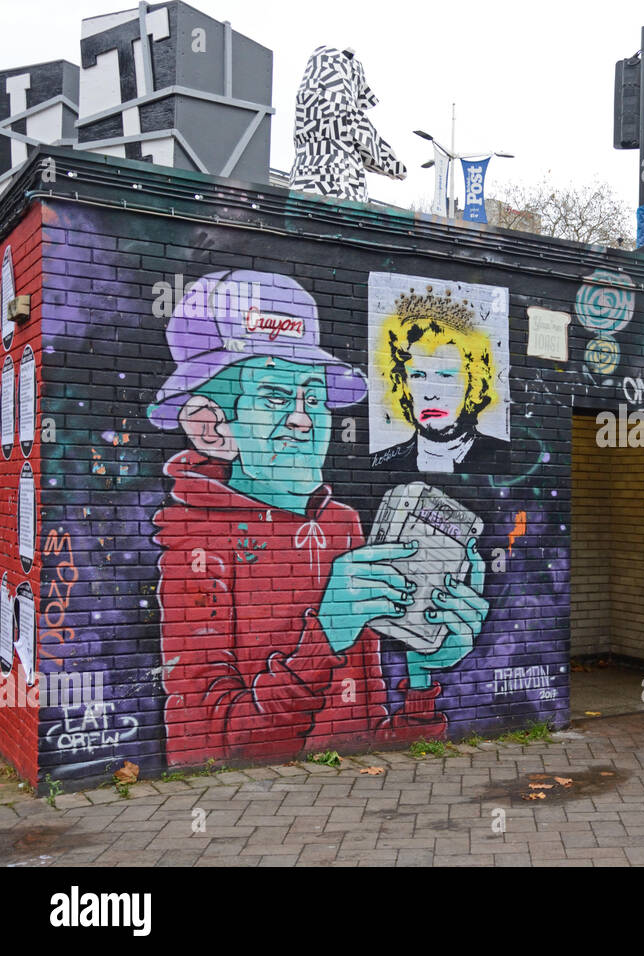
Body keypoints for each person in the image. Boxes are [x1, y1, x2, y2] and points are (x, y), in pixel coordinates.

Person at [147, 270, 487, 767]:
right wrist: (326, 633)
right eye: (276, 398)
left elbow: (362, 732)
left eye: (312, 396)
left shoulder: (341, 524)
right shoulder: (195, 544)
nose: (304, 418)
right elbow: (216, 753)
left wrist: (420, 670)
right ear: (211, 429)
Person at [371, 289, 508, 473]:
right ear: (403, 384)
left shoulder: (501, 459)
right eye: (418, 376)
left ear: (473, 383)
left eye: (446, 376)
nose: (430, 394)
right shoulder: (384, 465)